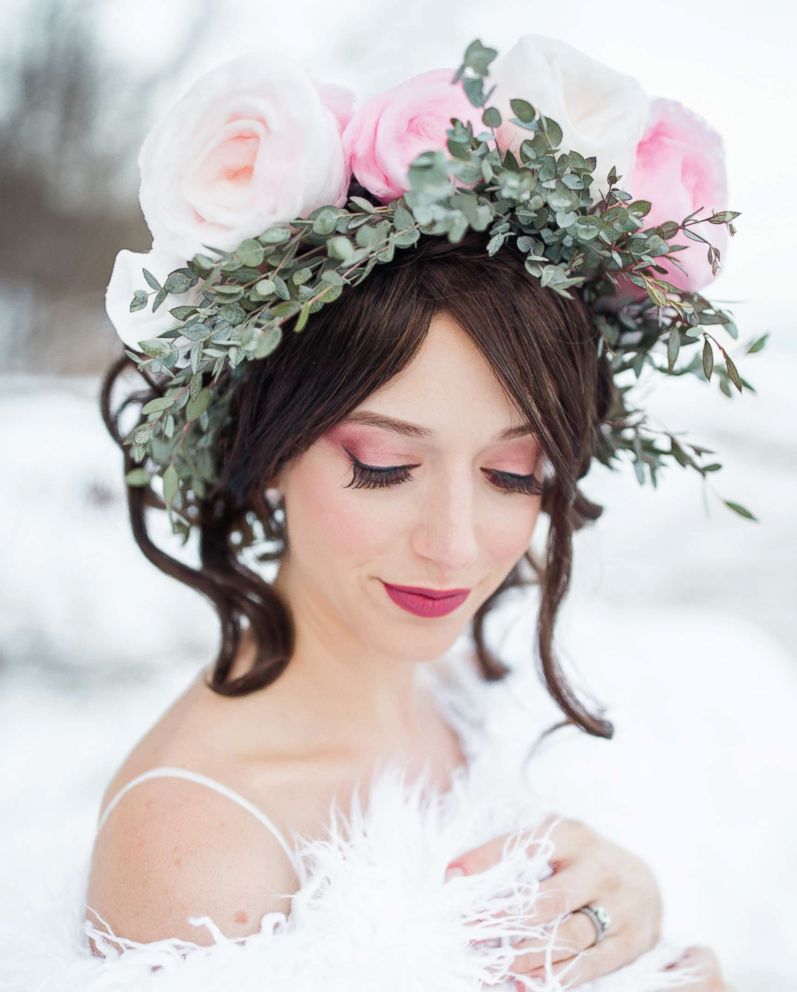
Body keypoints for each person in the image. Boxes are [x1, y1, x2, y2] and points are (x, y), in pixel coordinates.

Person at [4, 31, 750, 992]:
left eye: (514, 475)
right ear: (263, 446)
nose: (453, 545)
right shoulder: (198, 852)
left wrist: (627, 907)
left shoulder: (468, 698)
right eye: (385, 464)